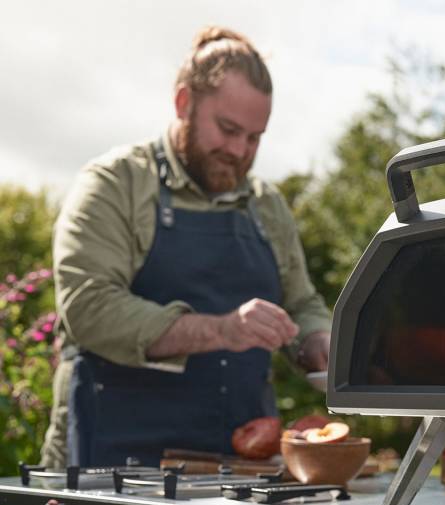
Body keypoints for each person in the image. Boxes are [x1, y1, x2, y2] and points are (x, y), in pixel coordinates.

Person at [39, 26, 332, 474]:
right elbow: (88, 309)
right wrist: (223, 330)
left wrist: (317, 341)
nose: (239, 151)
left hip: (240, 469)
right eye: (228, 129)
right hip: (113, 463)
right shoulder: (114, 184)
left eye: (255, 138)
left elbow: (301, 302)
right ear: (183, 103)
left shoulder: (265, 205)